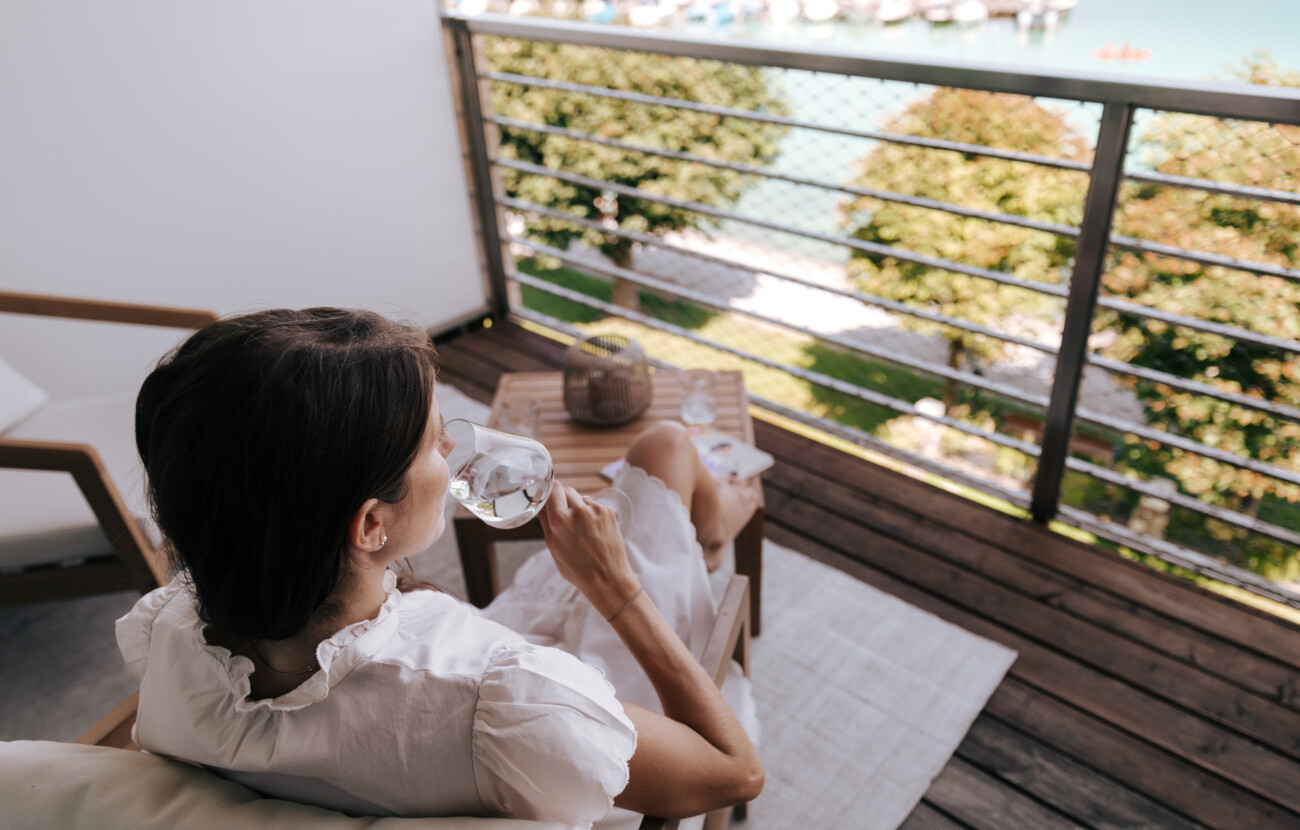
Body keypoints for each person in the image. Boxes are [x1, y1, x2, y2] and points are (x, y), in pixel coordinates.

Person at [117, 308, 763, 828]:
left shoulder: (170, 636)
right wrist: (615, 590)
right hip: (584, 714)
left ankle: (701, 536)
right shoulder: (514, 703)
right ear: (371, 525)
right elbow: (735, 773)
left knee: (654, 491)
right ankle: (709, 536)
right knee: (666, 447)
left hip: (490, 661)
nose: (454, 446)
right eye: (432, 442)